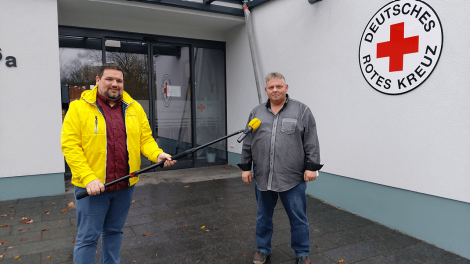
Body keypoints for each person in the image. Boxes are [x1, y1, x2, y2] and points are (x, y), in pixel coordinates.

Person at [61, 63, 176, 264]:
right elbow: (70, 146)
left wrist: (157, 154)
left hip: (124, 186)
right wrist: (88, 178)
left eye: (119, 80)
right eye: (109, 79)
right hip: (92, 189)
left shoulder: (134, 108)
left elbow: (145, 139)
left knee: (114, 232)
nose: (115, 84)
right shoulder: (78, 107)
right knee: (87, 239)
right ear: (97, 81)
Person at [238, 72, 322, 264]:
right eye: (271, 87)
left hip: (292, 178)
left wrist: (311, 167)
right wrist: (245, 167)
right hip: (263, 177)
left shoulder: (302, 111)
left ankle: (302, 253)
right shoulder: (256, 112)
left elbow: (311, 141)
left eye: (279, 86)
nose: (275, 90)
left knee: (298, 219)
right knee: (263, 217)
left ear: (286, 87)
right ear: (266, 89)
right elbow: (248, 141)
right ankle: (263, 249)